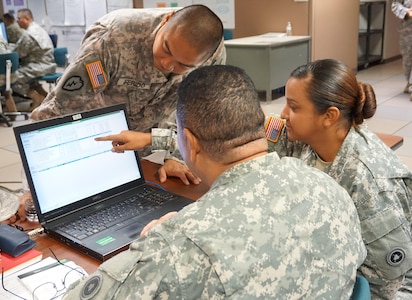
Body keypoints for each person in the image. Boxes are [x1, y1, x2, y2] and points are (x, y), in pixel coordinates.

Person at [63, 65, 366, 299]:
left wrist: (163, 242)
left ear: (190, 143)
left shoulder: (175, 248)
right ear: (260, 121)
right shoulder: (332, 189)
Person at [30, 5, 225, 186]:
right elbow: (59, 109)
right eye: (166, 49)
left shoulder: (211, 56)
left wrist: (176, 157)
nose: (167, 64)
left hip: (147, 144)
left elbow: (198, 121)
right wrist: (38, 180)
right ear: (166, 20)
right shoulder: (110, 41)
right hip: (97, 136)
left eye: (183, 65)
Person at [265, 59, 412, 299]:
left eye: (293, 107)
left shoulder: (370, 184)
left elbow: (386, 283)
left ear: (329, 116)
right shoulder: (310, 136)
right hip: (334, 254)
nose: (283, 114)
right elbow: (264, 131)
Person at [12, 8, 56, 110]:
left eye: (18, 19)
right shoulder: (38, 29)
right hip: (49, 65)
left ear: (26, 18)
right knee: (30, 79)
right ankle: (47, 99)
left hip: (39, 66)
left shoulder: (28, 34)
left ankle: (36, 98)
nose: (17, 21)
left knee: (15, 78)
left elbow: (18, 54)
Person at [391, 0, 412, 101]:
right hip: (408, 31)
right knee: (408, 59)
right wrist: (407, 12)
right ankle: (409, 80)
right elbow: (395, 4)